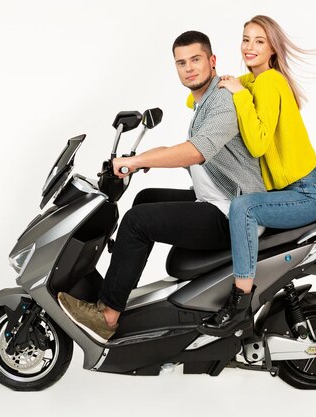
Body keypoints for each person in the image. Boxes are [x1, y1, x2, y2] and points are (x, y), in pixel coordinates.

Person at [58, 31, 265, 343]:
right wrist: (136, 159)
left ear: (212, 61)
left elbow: (197, 150)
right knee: (144, 199)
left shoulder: (222, 101)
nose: (189, 68)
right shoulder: (205, 102)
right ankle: (117, 283)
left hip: (232, 214)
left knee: (136, 222)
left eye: (196, 60)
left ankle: (108, 315)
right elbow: (184, 148)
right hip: (216, 201)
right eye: (181, 63)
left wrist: (140, 162)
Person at [197, 15, 316, 337]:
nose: (250, 47)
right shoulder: (252, 83)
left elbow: (257, 145)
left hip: (305, 193)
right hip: (288, 192)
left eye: (259, 41)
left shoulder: (269, 83)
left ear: (272, 49)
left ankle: (240, 302)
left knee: (243, 208)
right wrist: (213, 81)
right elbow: (195, 98)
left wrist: (237, 93)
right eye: (245, 39)